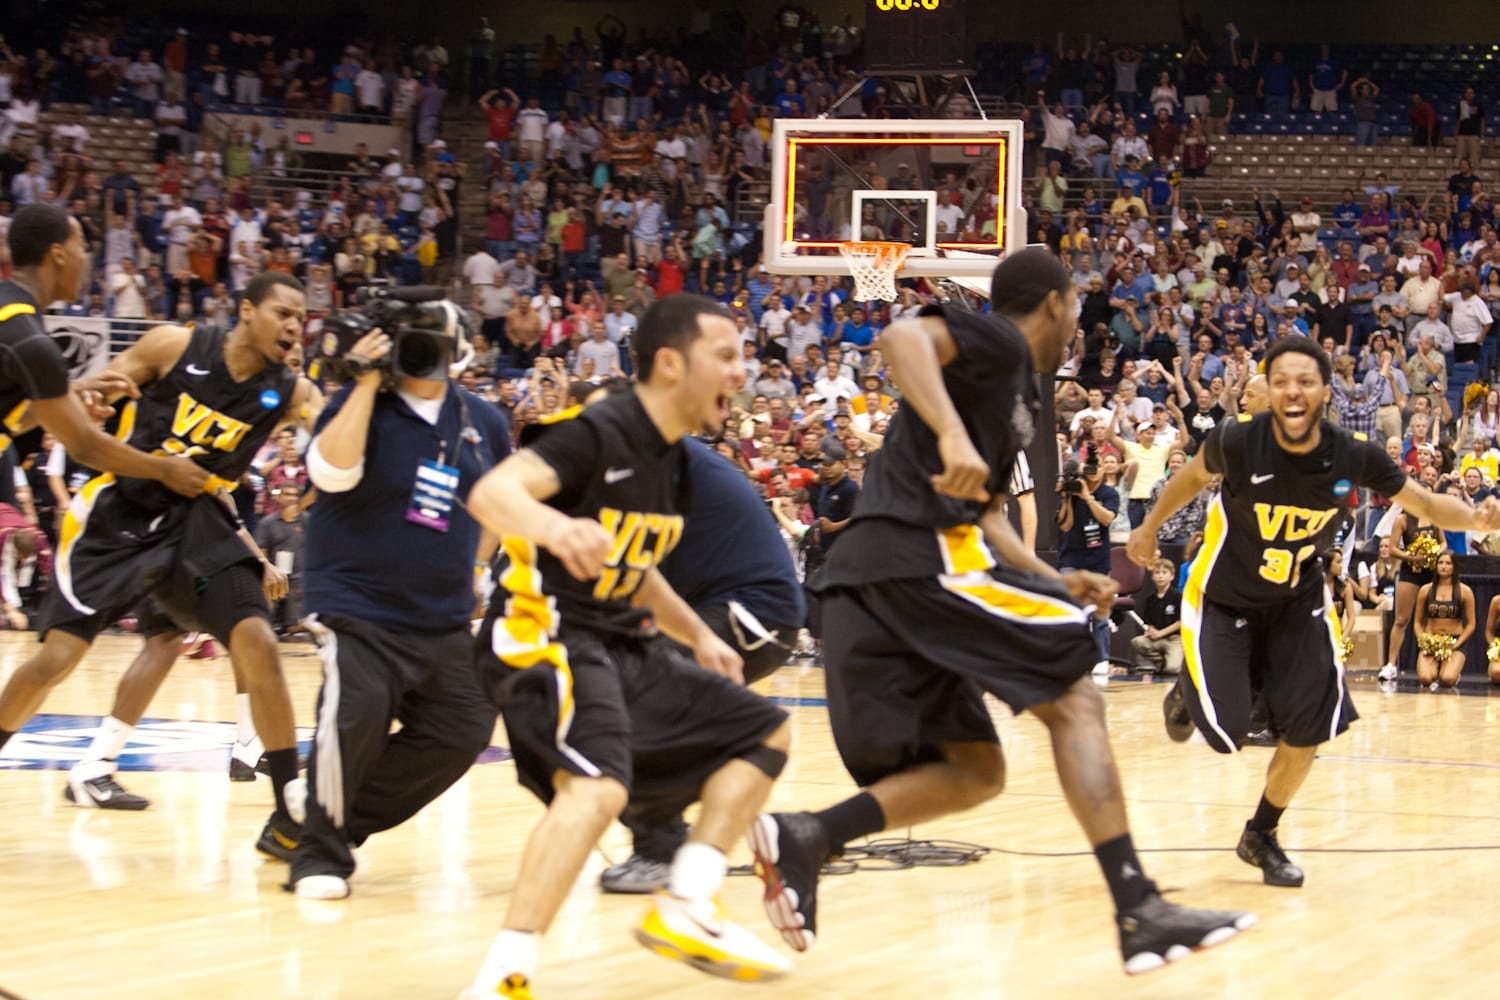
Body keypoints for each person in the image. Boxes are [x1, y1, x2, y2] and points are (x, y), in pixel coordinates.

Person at [750, 249, 1255, 977]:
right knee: (1077, 696)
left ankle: (810, 834)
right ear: (1056, 303)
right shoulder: (999, 340)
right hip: (916, 559)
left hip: (876, 583)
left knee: (977, 768)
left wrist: (1054, 579)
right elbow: (902, 339)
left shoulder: (1019, 393)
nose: (1078, 324)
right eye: (1077, 308)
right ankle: (1138, 907)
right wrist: (951, 434)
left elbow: (985, 511)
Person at [461, 295, 795, 997]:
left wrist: (701, 634)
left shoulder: (673, 462)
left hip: (619, 640)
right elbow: (494, 493)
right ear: (670, 363)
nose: (743, 371)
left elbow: (637, 570)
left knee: (764, 734)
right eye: (727, 355)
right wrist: (554, 530)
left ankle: (687, 902)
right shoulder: (599, 431)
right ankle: (504, 978)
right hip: (540, 631)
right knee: (597, 787)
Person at [1129, 337, 1500, 889]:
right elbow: (1186, 479)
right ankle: (1190, 688)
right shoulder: (1237, 441)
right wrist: (1149, 525)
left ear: (1326, 391)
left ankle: (1261, 833)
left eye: (1306, 381)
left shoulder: (1352, 454)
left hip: (1296, 598)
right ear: (1269, 391)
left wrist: (1475, 519)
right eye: (1281, 381)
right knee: (1227, 734)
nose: (1293, 391)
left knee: (1310, 725)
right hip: (1224, 597)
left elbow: (1423, 503)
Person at [0, 271, 319, 852]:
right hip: (120, 510)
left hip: (196, 522)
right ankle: (87, 763)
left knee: (257, 641)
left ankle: (288, 815)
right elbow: (84, 396)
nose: (295, 326)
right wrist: (94, 395)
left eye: (302, 318)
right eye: (284, 313)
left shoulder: (290, 390)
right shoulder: (176, 345)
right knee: (58, 658)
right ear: (246, 311)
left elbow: (331, 432)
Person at [287, 301, 513, 900]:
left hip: (439, 615)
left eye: (435, 338)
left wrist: (478, 565)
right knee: (354, 714)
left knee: (463, 727)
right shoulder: (360, 402)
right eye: (414, 339)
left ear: (461, 345)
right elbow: (330, 474)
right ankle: (319, 852)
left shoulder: (484, 420)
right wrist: (363, 380)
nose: (424, 349)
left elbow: (498, 498)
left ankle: (326, 815)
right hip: (357, 606)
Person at [599, 430, 806, 893]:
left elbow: (632, 576)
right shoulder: (658, 458)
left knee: (626, 686)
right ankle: (684, 824)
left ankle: (662, 847)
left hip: (751, 615)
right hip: (731, 610)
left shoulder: (654, 460)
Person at [1379, 499, 1444, 681]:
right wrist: (1412, 557)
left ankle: (1436, 663)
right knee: (1401, 619)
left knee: (1432, 618)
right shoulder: (1403, 519)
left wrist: (1434, 552)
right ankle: (1391, 664)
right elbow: (1392, 548)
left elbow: (1444, 543)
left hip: (1432, 571)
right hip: (1411, 571)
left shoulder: (1434, 518)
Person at [1412, 550, 1474, 690]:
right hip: (1431, 640)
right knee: (1426, 678)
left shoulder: (1465, 591)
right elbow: (1417, 622)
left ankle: (1452, 672)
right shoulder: (1425, 590)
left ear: (1454, 567)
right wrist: (1423, 640)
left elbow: (1471, 624)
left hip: (1454, 641)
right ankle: (1436, 667)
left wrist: (1457, 644)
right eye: (1440, 563)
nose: (1444, 566)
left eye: (1448, 563)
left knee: (1447, 679)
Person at [1131, 557, 1183, 675]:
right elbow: (1149, 622)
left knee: (1173, 669)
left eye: (1164, 573)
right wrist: (1151, 630)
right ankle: (1160, 660)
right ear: (1152, 577)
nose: (1160, 576)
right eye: (1157, 573)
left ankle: (1174, 659)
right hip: (1158, 639)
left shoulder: (1178, 596)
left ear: (1172, 576)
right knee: (1137, 642)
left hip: (1175, 639)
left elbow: (1181, 622)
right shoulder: (1150, 600)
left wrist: (1161, 633)